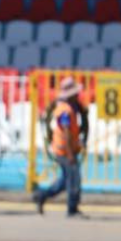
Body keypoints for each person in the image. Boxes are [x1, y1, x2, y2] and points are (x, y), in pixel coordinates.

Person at [33, 76, 89, 217]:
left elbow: (75, 129)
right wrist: (70, 154)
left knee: (64, 181)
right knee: (73, 178)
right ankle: (72, 208)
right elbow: (66, 132)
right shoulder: (65, 110)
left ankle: (42, 196)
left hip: (66, 149)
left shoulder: (70, 108)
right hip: (64, 150)